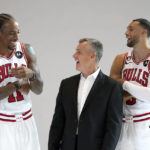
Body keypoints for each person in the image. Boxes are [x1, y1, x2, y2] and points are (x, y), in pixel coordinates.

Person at [48, 38, 123, 150]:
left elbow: (113, 127)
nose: (74, 55)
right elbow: (57, 122)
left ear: (92, 56)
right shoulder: (66, 84)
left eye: (79, 52)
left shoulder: (112, 87)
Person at [0, 13, 43, 150]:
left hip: (27, 120)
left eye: (18, 33)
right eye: (11, 33)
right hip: (3, 123)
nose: (17, 37)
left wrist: (32, 76)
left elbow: (39, 90)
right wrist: (17, 85)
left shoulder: (26, 50)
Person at [110, 18, 150, 150]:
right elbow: (112, 93)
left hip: (144, 126)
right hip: (120, 126)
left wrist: (125, 84)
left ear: (144, 32)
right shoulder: (121, 59)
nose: (126, 33)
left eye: (131, 29)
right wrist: (139, 91)